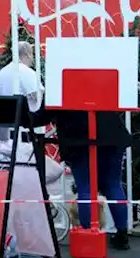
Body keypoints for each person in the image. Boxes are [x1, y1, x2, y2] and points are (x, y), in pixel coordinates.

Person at [30, 107, 131, 250]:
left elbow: (43, 115)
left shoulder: (60, 84)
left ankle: (90, 238)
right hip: (112, 133)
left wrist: (21, 116)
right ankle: (122, 235)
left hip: (79, 138)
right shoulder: (98, 82)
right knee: (113, 184)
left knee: (86, 187)